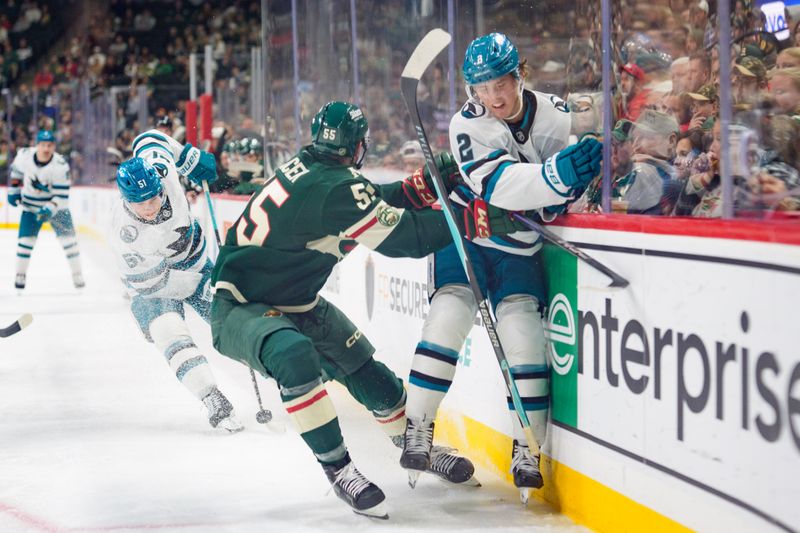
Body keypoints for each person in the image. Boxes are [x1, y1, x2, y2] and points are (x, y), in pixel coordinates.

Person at [209, 100, 527, 519]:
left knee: (366, 370)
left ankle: (418, 450)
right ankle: (339, 469)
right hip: (242, 307)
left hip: (295, 302)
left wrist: (420, 188)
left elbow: (369, 203)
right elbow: (404, 239)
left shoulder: (317, 173)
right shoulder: (334, 187)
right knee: (292, 355)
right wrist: (473, 220)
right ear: (357, 146)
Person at [399, 32, 601, 503]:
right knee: (447, 317)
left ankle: (527, 449)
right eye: (482, 88)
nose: (494, 97)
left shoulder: (556, 114)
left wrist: (566, 190)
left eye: (501, 83)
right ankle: (419, 427)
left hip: (519, 244)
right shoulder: (466, 124)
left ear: (519, 74)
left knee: (524, 336)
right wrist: (556, 180)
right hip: (467, 236)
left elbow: (562, 196)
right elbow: (499, 186)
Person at [109, 129, 243, 433]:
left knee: (235, 324)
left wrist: (189, 158)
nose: (151, 205)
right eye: (141, 202)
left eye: (154, 195)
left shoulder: (161, 167)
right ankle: (211, 396)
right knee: (170, 332)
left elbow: (149, 136)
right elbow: (156, 286)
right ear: (125, 199)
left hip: (196, 263)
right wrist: (198, 287)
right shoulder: (123, 233)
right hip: (153, 288)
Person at [7, 129, 84, 290]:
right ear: (37, 145)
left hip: (57, 210)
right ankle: (20, 275)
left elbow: (62, 196)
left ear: (54, 146)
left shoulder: (60, 165)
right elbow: (16, 173)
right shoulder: (24, 156)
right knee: (25, 243)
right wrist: (13, 191)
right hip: (30, 208)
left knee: (70, 243)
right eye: (43, 145)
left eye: (49, 145)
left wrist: (49, 209)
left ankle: (77, 274)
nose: (46, 149)